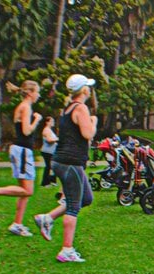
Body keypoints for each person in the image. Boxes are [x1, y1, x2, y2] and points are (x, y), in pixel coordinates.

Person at [33, 74, 98, 263]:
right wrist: (93, 123)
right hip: (71, 162)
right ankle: (66, 250)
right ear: (84, 90)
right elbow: (87, 134)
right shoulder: (81, 108)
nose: (90, 90)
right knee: (74, 207)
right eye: (88, 87)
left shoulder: (67, 109)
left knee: (86, 198)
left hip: (62, 160)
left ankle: (48, 217)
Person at [0, 81, 42, 237]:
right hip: (22, 150)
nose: (39, 95)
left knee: (24, 191)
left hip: (21, 150)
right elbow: (27, 131)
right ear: (30, 93)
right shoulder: (26, 107)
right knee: (27, 190)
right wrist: (37, 120)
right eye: (37, 92)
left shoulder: (23, 107)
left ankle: (17, 224)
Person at [41, 117, 59, 187]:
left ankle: (53, 181)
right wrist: (57, 139)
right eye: (51, 121)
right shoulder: (46, 130)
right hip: (47, 151)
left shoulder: (50, 130)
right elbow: (49, 140)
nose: (53, 122)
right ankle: (45, 183)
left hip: (51, 151)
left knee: (53, 166)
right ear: (47, 122)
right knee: (48, 166)